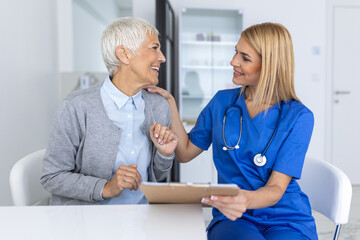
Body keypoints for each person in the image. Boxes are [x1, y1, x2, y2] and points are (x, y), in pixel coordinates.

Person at [149, 22, 317, 239]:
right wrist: (170, 103)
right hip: (233, 216)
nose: (233, 62)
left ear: (270, 66)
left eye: (245, 58)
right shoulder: (222, 103)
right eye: (235, 52)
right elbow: (186, 152)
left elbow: (276, 188)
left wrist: (244, 199)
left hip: (286, 217)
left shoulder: (299, 116)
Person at [41, 17, 178, 205]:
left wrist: (165, 154)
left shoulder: (159, 106)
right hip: (87, 224)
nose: (162, 57)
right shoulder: (76, 107)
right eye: (154, 48)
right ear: (124, 54)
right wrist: (106, 187)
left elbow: (156, 176)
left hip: (141, 217)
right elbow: (52, 177)